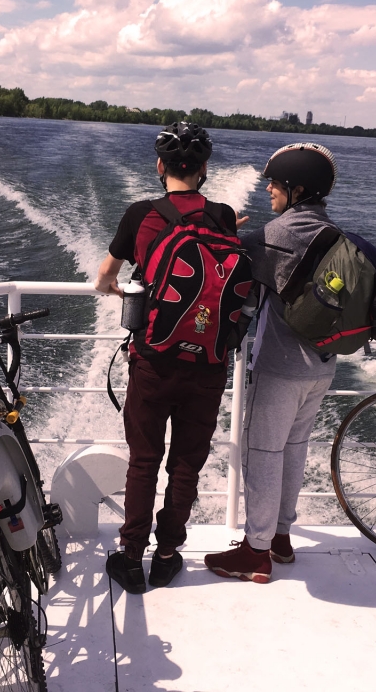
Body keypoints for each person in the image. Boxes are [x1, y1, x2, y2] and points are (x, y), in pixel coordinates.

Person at [94, 122, 244, 594]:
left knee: (144, 460)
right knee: (186, 463)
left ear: (160, 167)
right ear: (203, 170)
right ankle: (167, 554)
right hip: (209, 364)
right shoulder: (222, 214)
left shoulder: (141, 213)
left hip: (153, 359)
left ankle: (131, 555)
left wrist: (119, 289)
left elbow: (104, 276)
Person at [204, 142, 339, 584]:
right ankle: (280, 537)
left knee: (263, 452)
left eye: (275, 183)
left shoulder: (275, 235)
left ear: (297, 189)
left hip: (281, 366)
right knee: (293, 450)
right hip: (322, 366)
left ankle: (255, 551)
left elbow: (222, 257)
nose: (267, 189)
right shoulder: (333, 234)